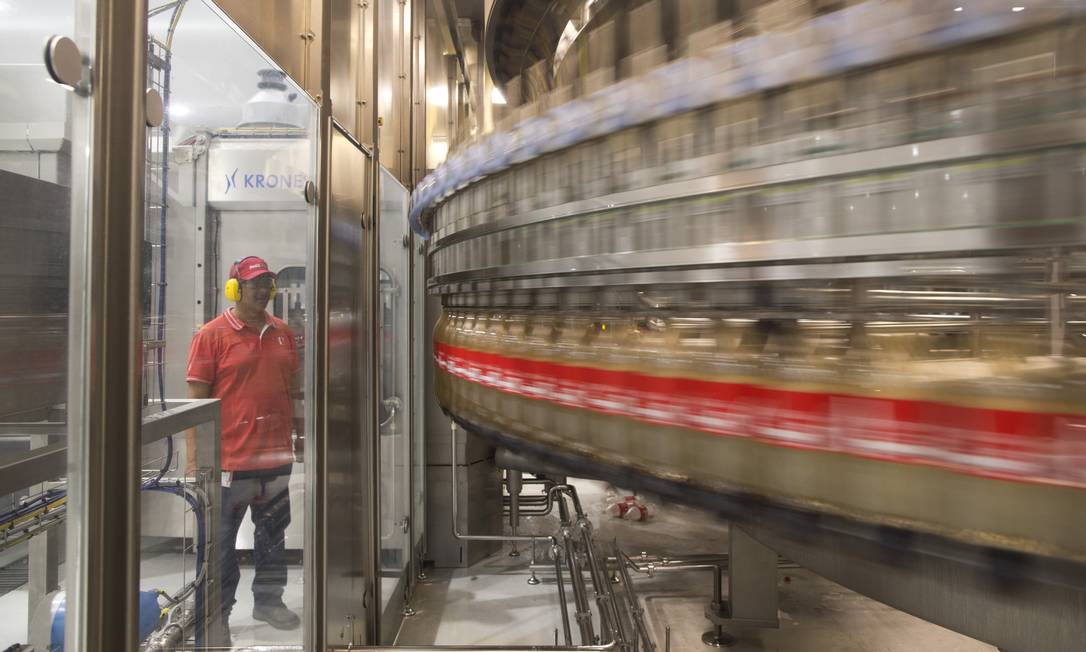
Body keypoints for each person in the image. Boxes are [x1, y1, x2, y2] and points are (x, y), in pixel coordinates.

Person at [185, 255, 302, 639]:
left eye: (267, 283)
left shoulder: (283, 331)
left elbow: (290, 390)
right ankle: (215, 615)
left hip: (275, 459)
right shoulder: (212, 335)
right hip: (229, 463)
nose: (263, 290)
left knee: (273, 538)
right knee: (219, 547)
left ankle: (269, 603)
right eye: (253, 284)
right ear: (235, 288)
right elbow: (196, 403)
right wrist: (194, 460)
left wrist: (295, 440)